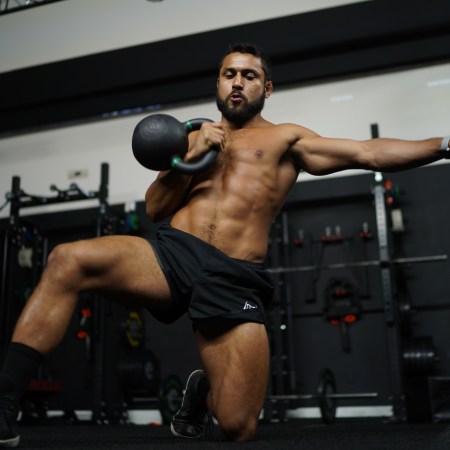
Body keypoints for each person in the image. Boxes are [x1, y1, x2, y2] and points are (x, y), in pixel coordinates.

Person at [0, 42, 449, 447]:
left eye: (249, 75)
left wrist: (442, 144)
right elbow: (155, 208)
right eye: (229, 74)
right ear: (218, 82)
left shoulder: (286, 139)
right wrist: (190, 160)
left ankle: (203, 391)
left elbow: (367, 153)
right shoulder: (191, 137)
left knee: (237, 426)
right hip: (173, 255)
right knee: (67, 259)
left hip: (234, 275)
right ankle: (3, 406)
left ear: (266, 88)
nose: (238, 82)